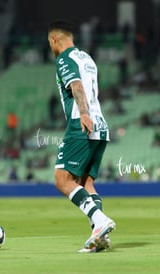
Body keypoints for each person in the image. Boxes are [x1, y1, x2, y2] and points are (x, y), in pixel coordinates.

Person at [48, 20, 115, 253]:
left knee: (62, 180)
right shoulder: (87, 58)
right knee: (86, 182)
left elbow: (76, 85)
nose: (51, 47)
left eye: (50, 43)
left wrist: (84, 114)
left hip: (81, 123)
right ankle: (100, 237)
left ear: (55, 40)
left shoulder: (64, 58)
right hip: (101, 124)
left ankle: (100, 221)